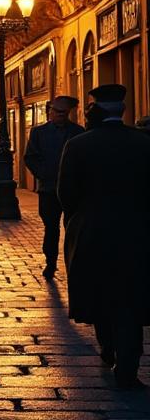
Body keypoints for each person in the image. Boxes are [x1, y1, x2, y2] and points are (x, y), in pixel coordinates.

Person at [57, 84, 150, 390]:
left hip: (93, 231)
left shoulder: (79, 145)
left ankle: (107, 345)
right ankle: (128, 363)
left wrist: (77, 220)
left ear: (94, 110)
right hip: (137, 233)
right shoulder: (143, 143)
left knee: (100, 290)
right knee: (131, 298)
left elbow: (65, 194)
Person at [24, 96, 83, 279]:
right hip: (48, 188)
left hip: (72, 189)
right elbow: (30, 157)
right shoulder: (38, 132)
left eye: (64, 113)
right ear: (50, 112)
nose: (61, 116)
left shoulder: (78, 131)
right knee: (51, 227)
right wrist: (43, 173)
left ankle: (72, 261)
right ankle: (51, 261)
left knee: (72, 226)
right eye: (58, 112)